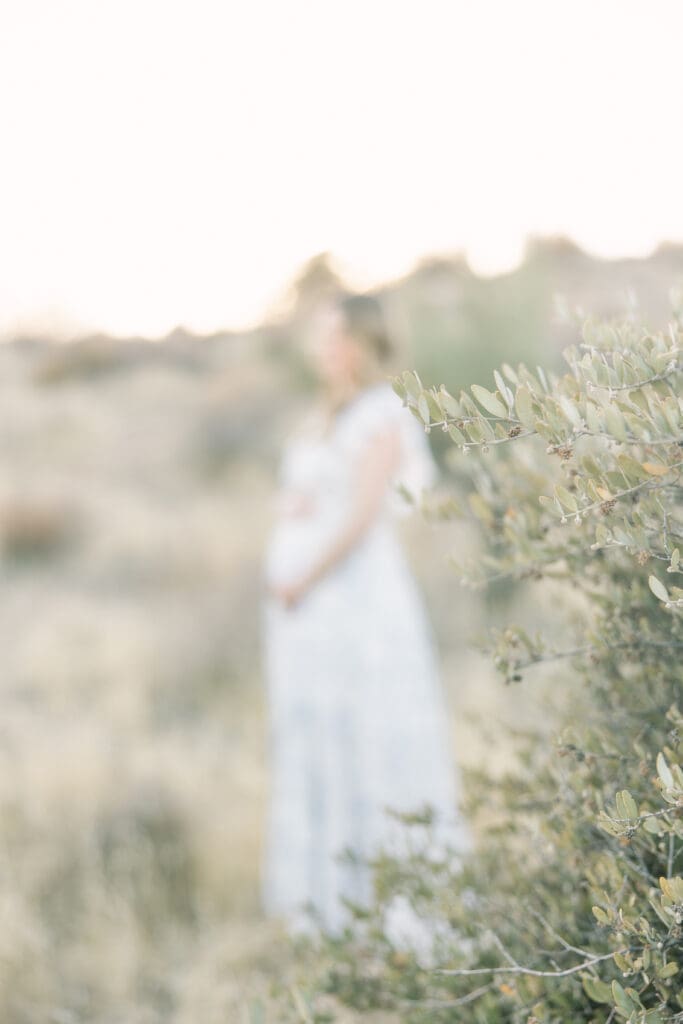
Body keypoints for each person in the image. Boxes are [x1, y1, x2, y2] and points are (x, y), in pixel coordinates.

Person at [261, 293, 468, 937]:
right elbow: (322, 495)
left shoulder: (381, 413)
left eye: (331, 337)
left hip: (355, 605)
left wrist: (300, 580)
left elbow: (361, 517)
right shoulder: (332, 413)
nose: (321, 350)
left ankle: (389, 914)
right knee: (325, 736)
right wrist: (295, 509)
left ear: (358, 342)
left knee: (370, 735)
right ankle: (331, 904)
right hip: (314, 616)